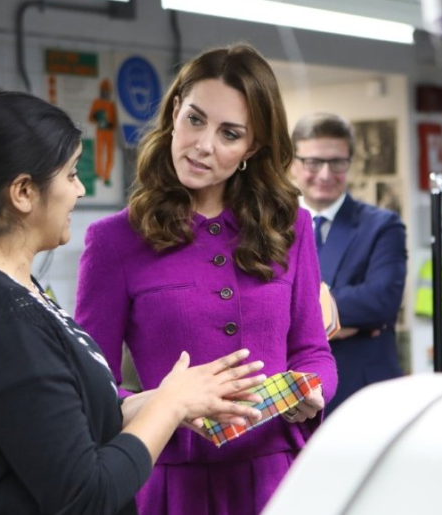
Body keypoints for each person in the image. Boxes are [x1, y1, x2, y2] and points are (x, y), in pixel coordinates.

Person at [0, 91, 268, 515]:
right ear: (24, 192)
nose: (80, 190)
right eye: (71, 174)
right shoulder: (3, 319)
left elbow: (70, 420)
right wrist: (170, 406)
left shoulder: (10, 294)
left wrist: (177, 399)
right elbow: (86, 494)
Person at [75, 44, 339, 515]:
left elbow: (313, 350)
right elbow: (93, 390)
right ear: (175, 112)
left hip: (278, 479)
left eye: (229, 134)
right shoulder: (114, 241)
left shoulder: (290, 226)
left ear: (252, 147)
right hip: (171, 484)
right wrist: (168, 404)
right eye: (195, 119)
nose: (203, 145)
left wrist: (312, 389)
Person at [289, 113, 407, 414]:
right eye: (313, 162)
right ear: (293, 163)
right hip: (294, 394)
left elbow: (381, 301)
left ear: (349, 163)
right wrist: (340, 321)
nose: (326, 174)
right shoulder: (273, 228)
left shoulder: (382, 226)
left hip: (363, 395)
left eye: (337, 162)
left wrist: (296, 314)